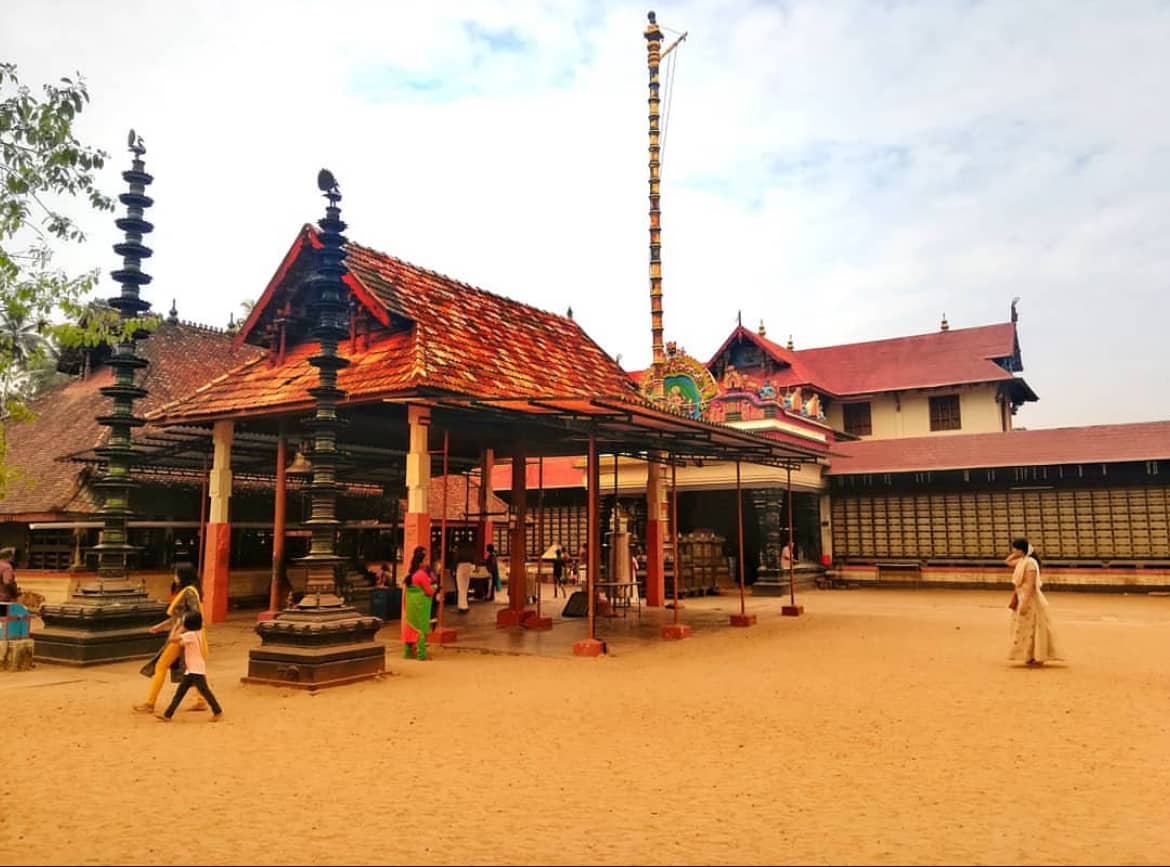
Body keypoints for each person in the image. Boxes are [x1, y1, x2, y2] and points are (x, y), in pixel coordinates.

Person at [134, 564, 208, 714]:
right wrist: (161, 626)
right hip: (185, 635)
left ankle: (150, 703)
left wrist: (179, 633)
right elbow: (180, 616)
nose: (174, 577)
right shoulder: (190, 592)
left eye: (176, 574)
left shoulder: (188, 593)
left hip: (182, 637)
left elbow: (192, 616)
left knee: (161, 665)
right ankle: (202, 701)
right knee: (192, 668)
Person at [156, 611, 223, 722]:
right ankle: (168, 714)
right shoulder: (198, 633)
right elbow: (182, 643)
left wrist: (176, 627)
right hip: (193, 669)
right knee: (181, 692)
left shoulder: (190, 635)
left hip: (195, 670)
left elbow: (172, 639)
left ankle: (218, 711)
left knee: (203, 691)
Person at [1006, 538, 1062, 666]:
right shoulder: (1023, 561)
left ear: (1021, 549)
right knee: (1025, 628)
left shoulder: (1030, 563)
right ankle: (1029, 655)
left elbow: (1030, 585)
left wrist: (1025, 602)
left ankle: (1036, 656)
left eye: (1014, 548)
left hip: (1029, 598)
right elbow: (1007, 561)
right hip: (1022, 596)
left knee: (1032, 627)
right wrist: (1017, 553)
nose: (1012, 551)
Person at [402, 546, 435, 660]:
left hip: (411, 606)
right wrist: (435, 587)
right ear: (420, 562)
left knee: (410, 629)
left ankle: (407, 653)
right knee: (420, 630)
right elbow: (429, 591)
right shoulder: (421, 575)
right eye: (425, 560)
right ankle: (421, 655)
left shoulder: (410, 575)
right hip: (420, 607)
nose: (427, 562)